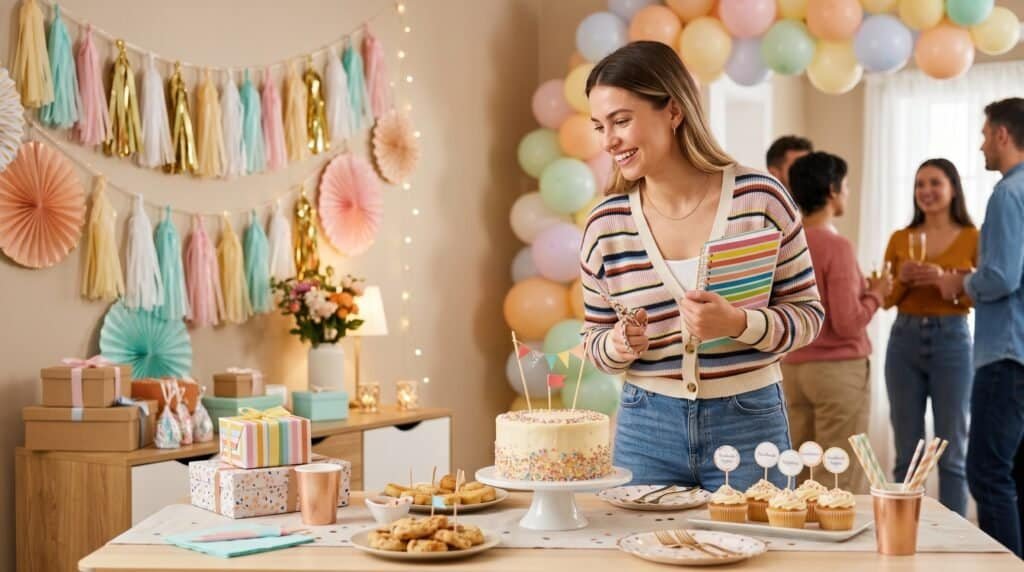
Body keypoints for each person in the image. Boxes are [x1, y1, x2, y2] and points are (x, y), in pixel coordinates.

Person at [579, 41, 824, 491]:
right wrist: (618, 344)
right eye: (599, 126)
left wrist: (738, 324)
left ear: (673, 111)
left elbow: (808, 316)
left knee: (757, 537)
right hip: (645, 428)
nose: (608, 140)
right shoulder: (605, 225)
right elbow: (593, 341)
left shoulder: (760, 199)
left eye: (621, 120)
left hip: (750, 423)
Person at [934, 97, 1024, 555]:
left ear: (1003, 135)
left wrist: (961, 282)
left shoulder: (1008, 193)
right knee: (1012, 475)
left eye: (986, 135)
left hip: (1004, 354)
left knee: (986, 473)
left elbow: (1003, 276)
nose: (982, 145)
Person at [780, 152, 890, 494]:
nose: (847, 192)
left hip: (792, 369)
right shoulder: (837, 246)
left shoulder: (785, 244)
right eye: (846, 185)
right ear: (832, 189)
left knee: (799, 472)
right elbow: (847, 323)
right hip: (837, 373)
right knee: (838, 476)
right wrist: (876, 295)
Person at [882, 158, 978, 517]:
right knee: (907, 453)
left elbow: (978, 296)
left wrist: (945, 281)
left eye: (935, 182)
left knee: (952, 452)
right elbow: (885, 298)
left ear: (953, 188)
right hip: (903, 340)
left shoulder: (973, 237)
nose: (926, 191)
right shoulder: (900, 238)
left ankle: (953, 535)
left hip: (952, 339)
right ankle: (903, 529)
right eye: (920, 184)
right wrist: (903, 280)